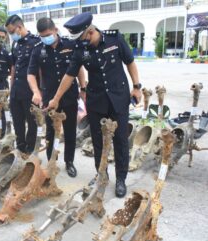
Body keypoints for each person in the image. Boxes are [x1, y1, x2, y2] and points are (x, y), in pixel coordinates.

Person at [48, 12, 142, 198]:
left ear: (90, 32)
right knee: (98, 141)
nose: (79, 42)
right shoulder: (80, 48)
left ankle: (121, 179)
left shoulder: (115, 39)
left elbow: (130, 62)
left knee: (121, 140)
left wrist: (137, 87)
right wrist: (56, 98)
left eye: (82, 38)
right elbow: (69, 75)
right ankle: (102, 175)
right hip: (96, 100)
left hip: (118, 98)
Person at [27, 17, 86, 178]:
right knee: (51, 131)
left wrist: (83, 87)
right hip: (49, 97)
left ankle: (69, 162)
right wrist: (36, 92)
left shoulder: (70, 44)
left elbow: (78, 68)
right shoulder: (38, 49)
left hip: (70, 95)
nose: (46, 38)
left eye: (48, 34)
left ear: (55, 30)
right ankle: (51, 160)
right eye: (42, 35)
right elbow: (31, 74)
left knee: (70, 131)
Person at [5, 15, 41, 154]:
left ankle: (30, 150)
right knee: (18, 122)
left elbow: (40, 70)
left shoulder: (36, 43)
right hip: (16, 91)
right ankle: (20, 148)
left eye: (12, 31)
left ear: (19, 27)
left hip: (30, 91)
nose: (11, 34)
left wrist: (39, 91)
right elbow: (14, 67)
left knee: (32, 123)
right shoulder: (15, 44)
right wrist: (11, 87)